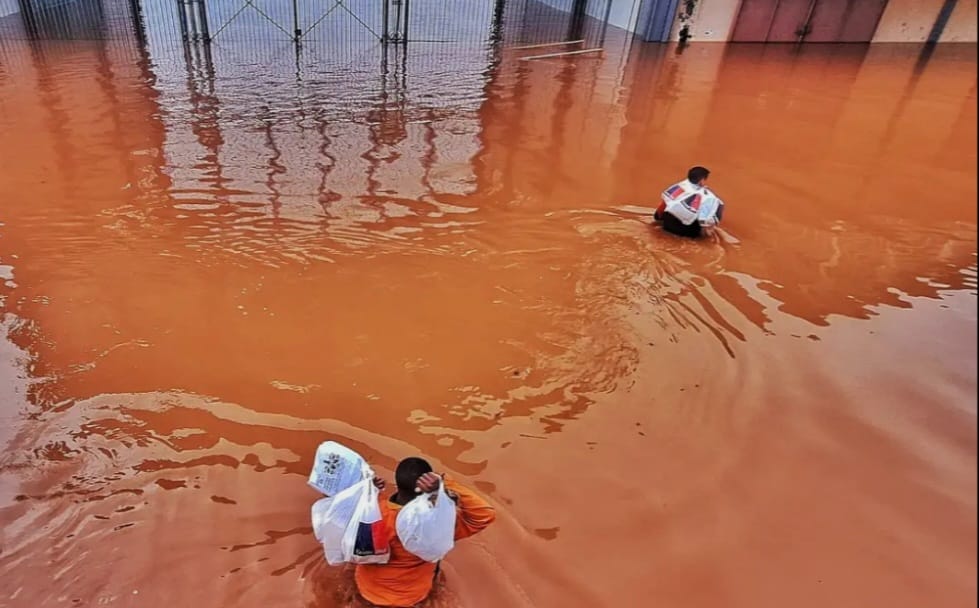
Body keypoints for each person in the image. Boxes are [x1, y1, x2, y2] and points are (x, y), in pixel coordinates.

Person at [355, 457, 496, 607]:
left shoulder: (372, 512)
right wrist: (445, 484)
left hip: (368, 591)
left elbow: (338, 514)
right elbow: (485, 514)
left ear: (397, 484)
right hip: (412, 597)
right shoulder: (439, 524)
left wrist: (367, 492)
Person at [654, 166, 724, 238]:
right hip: (686, 231)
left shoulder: (679, 186)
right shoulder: (709, 197)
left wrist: (658, 219)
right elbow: (706, 222)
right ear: (702, 180)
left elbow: (663, 205)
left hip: (667, 225)